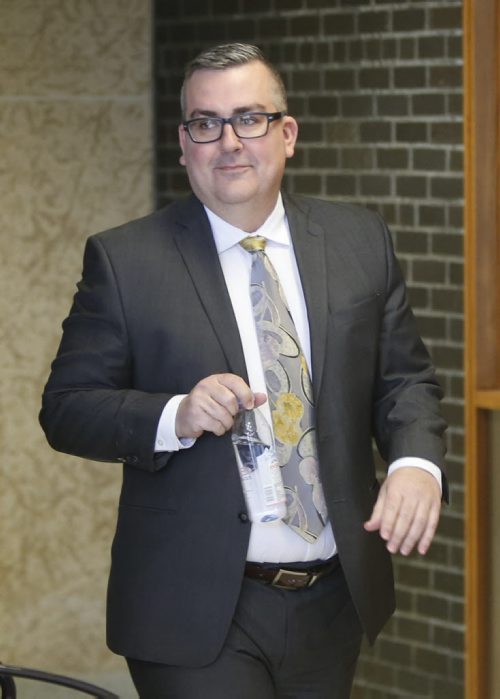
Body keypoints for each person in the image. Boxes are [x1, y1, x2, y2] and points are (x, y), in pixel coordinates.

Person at [40, 43, 447, 698]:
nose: (229, 140)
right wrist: (176, 413)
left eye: (249, 118)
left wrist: (416, 465)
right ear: (184, 143)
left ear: (287, 134)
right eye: (206, 122)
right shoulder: (126, 261)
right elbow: (66, 408)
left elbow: (406, 380)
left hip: (331, 599)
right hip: (193, 609)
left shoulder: (358, 241)